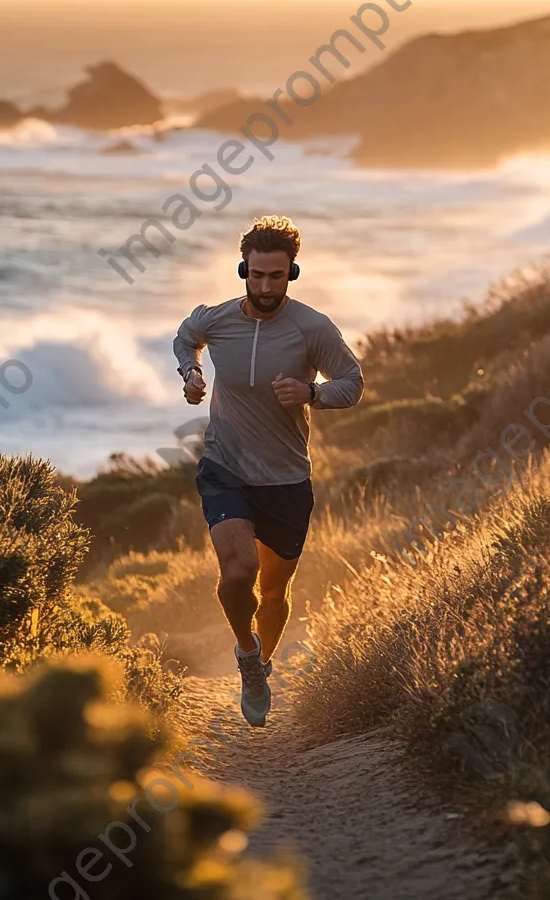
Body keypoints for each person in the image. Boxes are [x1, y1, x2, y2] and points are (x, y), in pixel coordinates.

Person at [172, 215, 364, 726]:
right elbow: (185, 336)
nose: (264, 286)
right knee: (239, 572)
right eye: (255, 275)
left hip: (285, 479)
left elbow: (353, 381)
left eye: (275, 276)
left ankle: (262, 662)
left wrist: (313, 394)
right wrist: (190, 371)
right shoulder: (217, 320)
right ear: (243, 269)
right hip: (225, 466)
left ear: (291, 273)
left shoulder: (312, 328)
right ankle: (246, 653)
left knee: (274, 593)